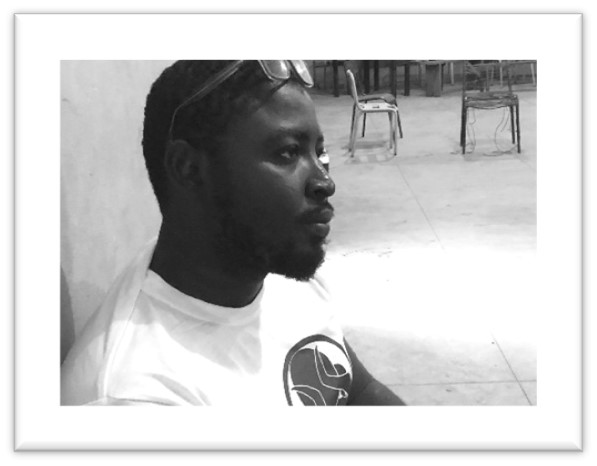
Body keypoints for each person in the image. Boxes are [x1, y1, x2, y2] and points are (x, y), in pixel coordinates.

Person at [61, 60, 405, 406]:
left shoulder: (272, 258)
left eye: (319, 152)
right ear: (189, 168)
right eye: (288, 152)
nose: (325, 182)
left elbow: (359, 390)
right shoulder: (138, 394)